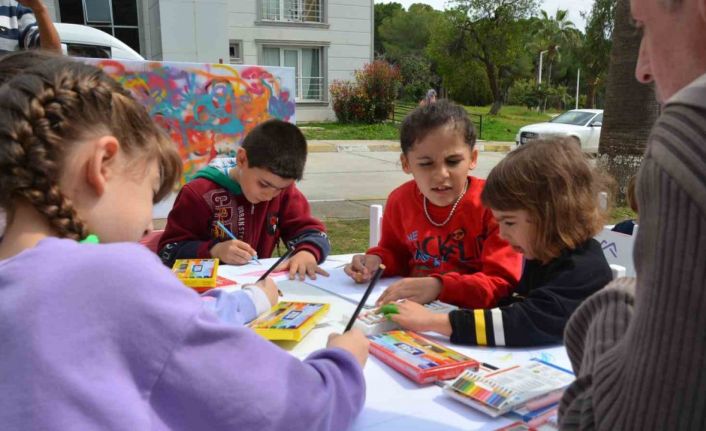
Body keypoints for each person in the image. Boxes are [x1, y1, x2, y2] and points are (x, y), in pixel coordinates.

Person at [0, 51, 368, 430]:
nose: (147, 223)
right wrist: (342, 365)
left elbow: (160, 328)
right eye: (151, 189)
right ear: (103, 164)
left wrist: (250, 298)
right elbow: (299, 409)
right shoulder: (110, 274)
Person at [559, 0, 706, 428]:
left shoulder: (689, 138)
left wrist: (615, 298)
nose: (642, 69)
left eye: (645, 26)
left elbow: (617, 421)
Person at [382, 139, 613, 347]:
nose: (502, 234)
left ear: (552, 215)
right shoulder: (541, 255)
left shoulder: (584, 270)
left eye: (509, 222)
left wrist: (434, 321)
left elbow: (526, 322)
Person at [344, 100, 522, 309]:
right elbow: (396, 254)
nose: (441, 175)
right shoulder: (400, 201)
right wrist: (375, 261)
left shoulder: (495, 205)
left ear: (472, 159)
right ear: (406, 164)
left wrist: (439, 286)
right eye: (426, 164)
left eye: (453, 161)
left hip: (469, 323)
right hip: (412, 312)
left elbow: (501, 282)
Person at [158, 119, 331, 280]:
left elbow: (312, 233)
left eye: (280, 188)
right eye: (263, 184)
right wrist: (214, 250)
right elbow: (168, 251)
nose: (269, 195)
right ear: (242, 159)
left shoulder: (283, 192)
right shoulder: (199, 193)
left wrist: (307, 252)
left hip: (257, 287)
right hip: (207, 295)